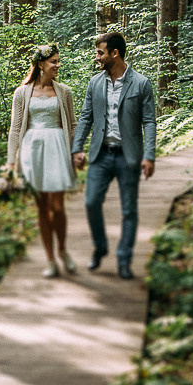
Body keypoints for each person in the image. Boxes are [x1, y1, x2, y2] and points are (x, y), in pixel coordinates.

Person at [71, 32, 156, 280]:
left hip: (128, 156)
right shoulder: (95, 83)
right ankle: (100, 246)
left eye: (100, 53)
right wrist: (78, 148)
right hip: (100, 155)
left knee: (129, 210)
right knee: (90, 202)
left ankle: (124, 259)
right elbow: (86, 117)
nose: (97, 57)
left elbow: (149, 122)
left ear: (114, 54)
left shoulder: (141, 83)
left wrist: (149, 155)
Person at [7, 44, 78, 278]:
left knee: (57, 206)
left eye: (58, 61)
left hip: (57, 147)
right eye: (53, 62)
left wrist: (77, 151)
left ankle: (63, 250)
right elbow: (16, 129)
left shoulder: (64, 91)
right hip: (32, 150)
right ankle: (50, 260)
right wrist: (10, 162)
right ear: (40, 64)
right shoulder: (22, 93)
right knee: (42, 208)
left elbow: (73, 124)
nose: (58, 65)